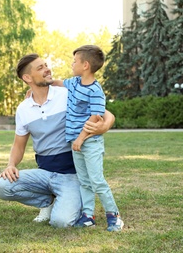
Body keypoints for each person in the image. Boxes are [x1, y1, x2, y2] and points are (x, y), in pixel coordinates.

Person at [0, 53, 115, 228]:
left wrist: (104, 126)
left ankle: (69, 199)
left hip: (71, 174)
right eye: (40, 67)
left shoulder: (67, 94)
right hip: (44, 173)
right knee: (1, 186)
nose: (47, 69)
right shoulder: (23, 109)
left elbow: (106, 113)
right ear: (27, 77)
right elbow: (18, 145)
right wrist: (11, 164)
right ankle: (47, 202)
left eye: (46, 65)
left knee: (61, 222)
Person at [53, 45, 124, 232]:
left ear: (85, 65)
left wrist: (80, 138)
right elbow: (60, 83)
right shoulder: (75, 82)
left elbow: (96, 116)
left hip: (89, 142)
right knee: (84, 181)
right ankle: (88, 216)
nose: (71, 63)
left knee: (97, 180)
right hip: (76, 142)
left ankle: (114, 216)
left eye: (74, 61)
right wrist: (42, 83)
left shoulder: (95, 90)